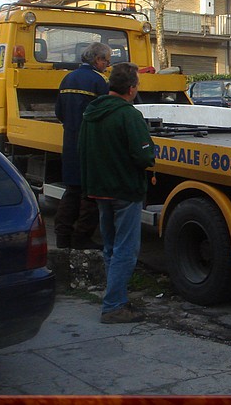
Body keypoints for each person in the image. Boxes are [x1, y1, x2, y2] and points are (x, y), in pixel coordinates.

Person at [80, 62, 156, 324]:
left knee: (111, 247)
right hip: (125, 189)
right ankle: (114, 305)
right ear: (132, 88)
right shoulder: (129, 115)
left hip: (100, 189)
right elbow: (143, 155)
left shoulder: (91, 112)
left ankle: (115, 299)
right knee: (126, 249)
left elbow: (83, 150)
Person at [53, 42, 111, 249]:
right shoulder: (99, 81)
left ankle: (62, 235)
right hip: (90, 145)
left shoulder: (67, 78)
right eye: (107, 61)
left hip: (69, 141)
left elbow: (59, 112)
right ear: (98, 60)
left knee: (72, 191)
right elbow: (107, 114)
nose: (108, 65)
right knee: (90, 194)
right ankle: (82, 237)